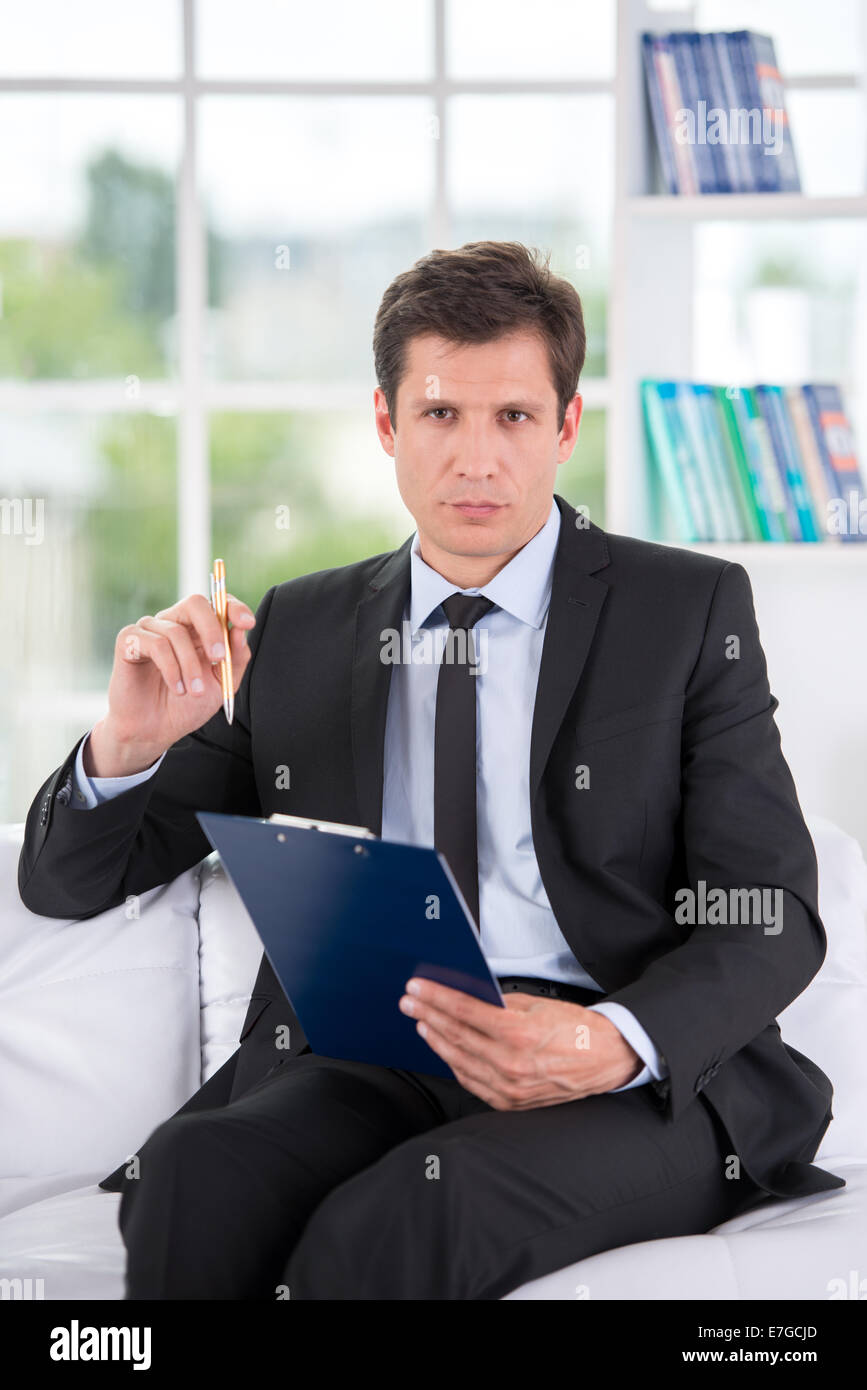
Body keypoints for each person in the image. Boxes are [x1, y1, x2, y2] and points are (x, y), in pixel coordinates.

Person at [18, 241, 844, 1301]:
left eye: (514, 417)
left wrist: (609, 1040)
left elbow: (771, 910)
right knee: (192, 1174)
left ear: (566, 428)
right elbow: (71, 881)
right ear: (386, 422)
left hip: (617, 1071)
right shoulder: (304, 628)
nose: (476, 460)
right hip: (379, 1050)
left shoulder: (685, 611)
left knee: (409, 1216)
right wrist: (127, 745)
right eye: (441, 413)